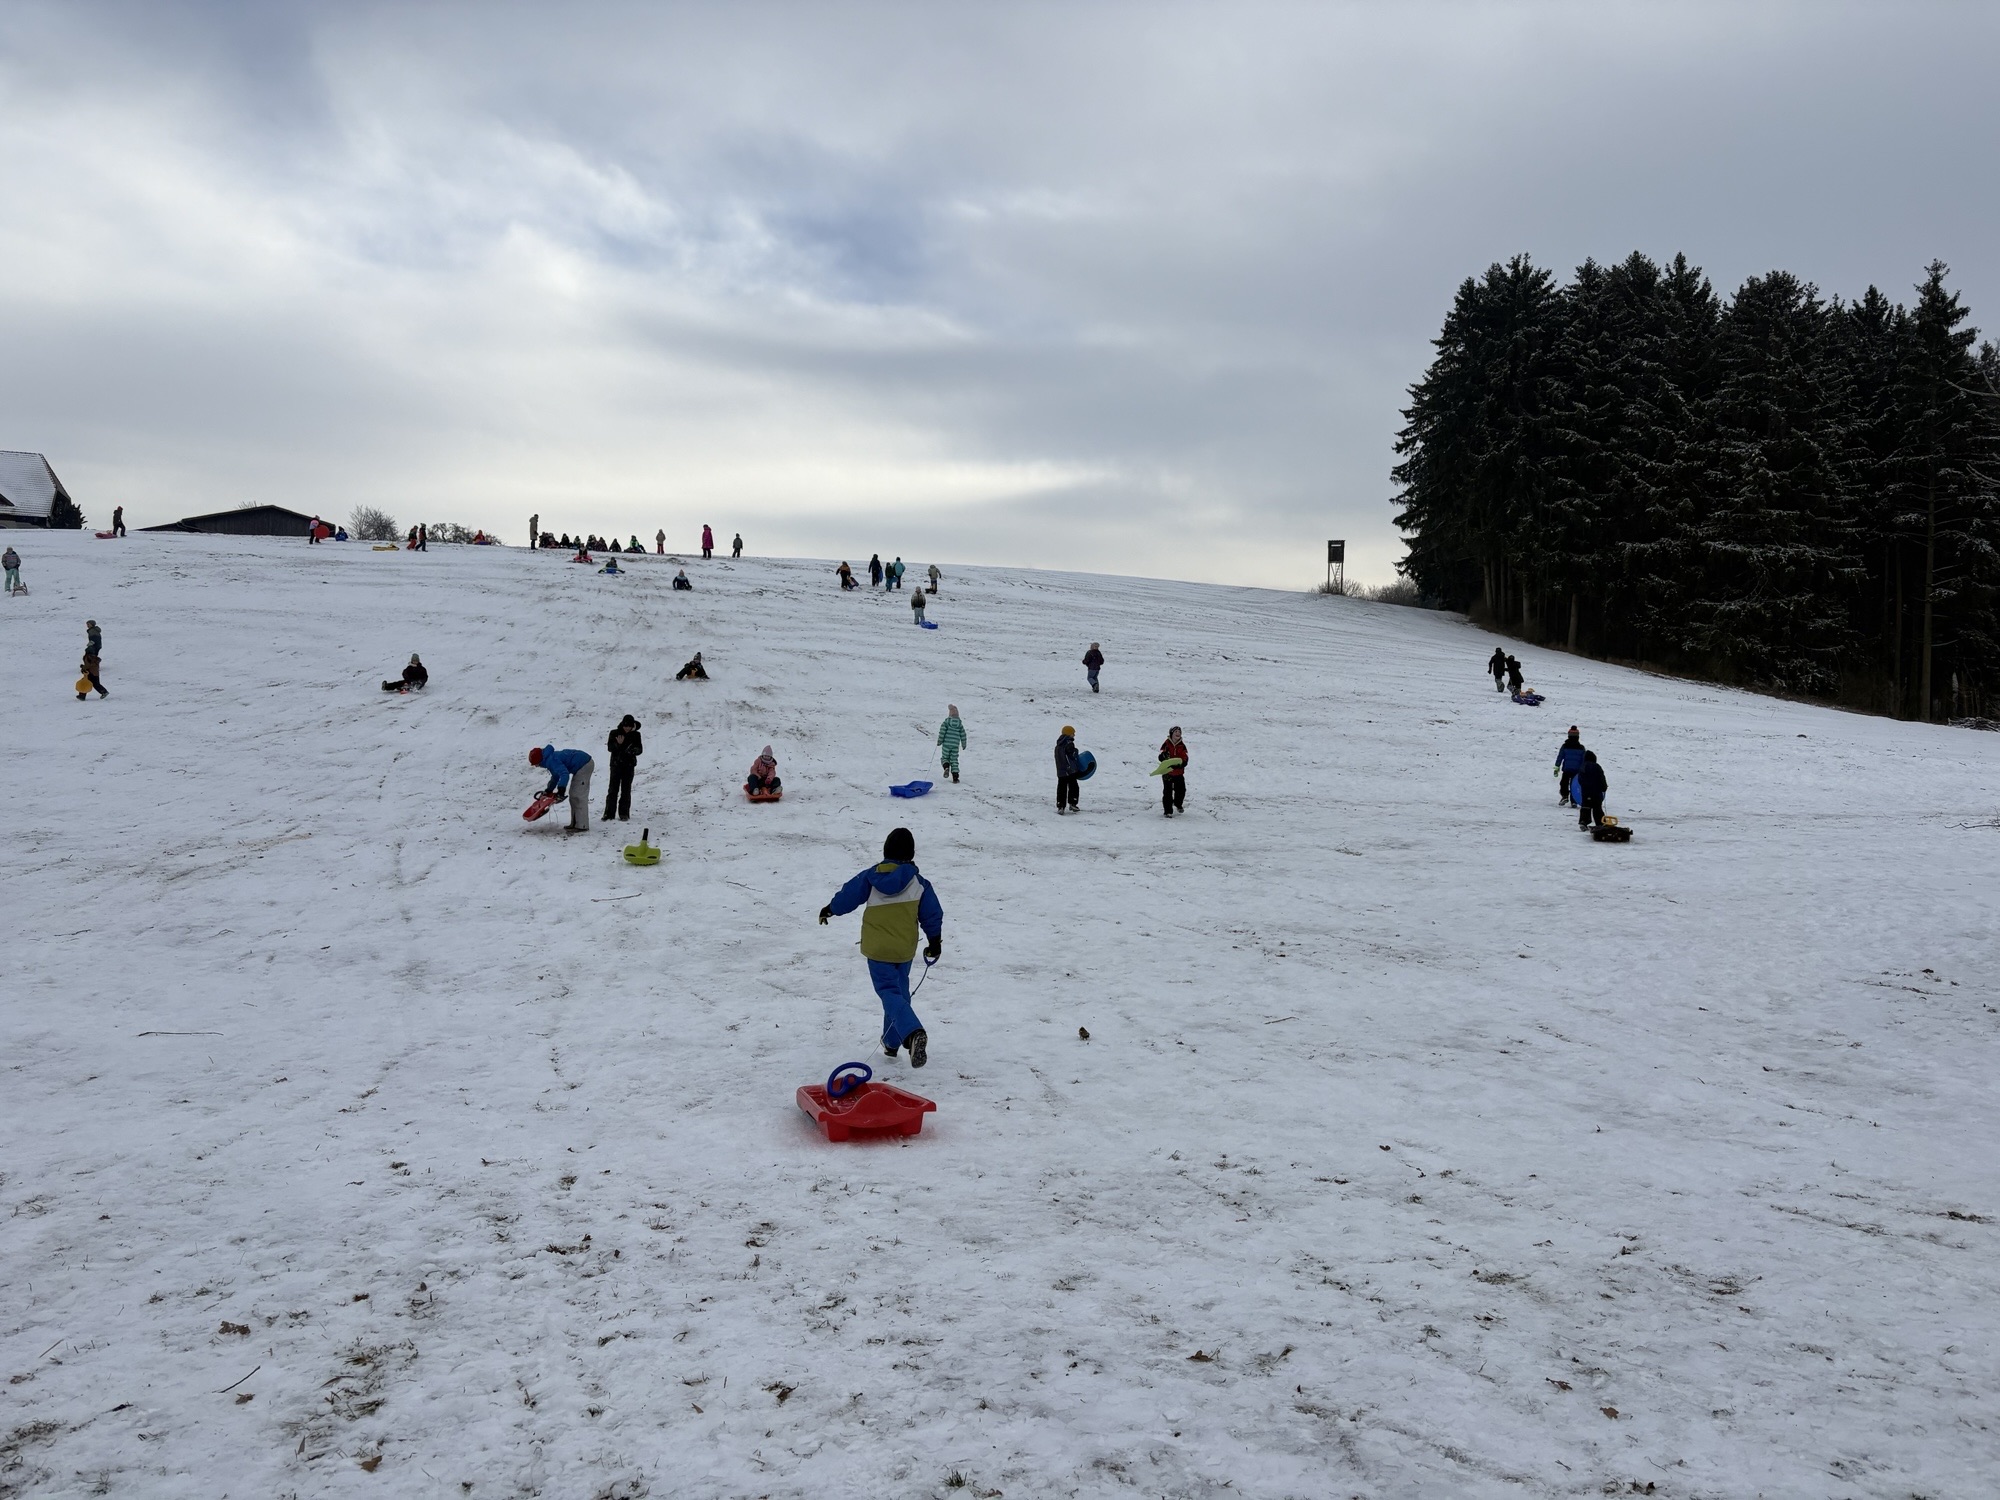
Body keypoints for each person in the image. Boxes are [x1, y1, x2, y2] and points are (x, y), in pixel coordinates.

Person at [819, 826, 943, 1068]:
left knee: (889, 992)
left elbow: (848, 896)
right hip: (904, 950)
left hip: (878, 950)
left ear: (886, 850)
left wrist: (831, 909)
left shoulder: (871, 877)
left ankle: (912, 1032)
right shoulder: (919, 883)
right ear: (911, 854)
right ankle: (892, 1042)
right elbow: (932, 914)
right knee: (899, 992)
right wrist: (934, 942)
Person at [529, 744, 594, 832]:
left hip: (584, 764)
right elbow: (555, 777)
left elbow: (564, 774)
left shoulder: (551, 760)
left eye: (535, 764)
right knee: (574, 796)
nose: (535, 766)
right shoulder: (549, 759)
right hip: (581, 764)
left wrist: (561, 790)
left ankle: (582, 825)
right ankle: (576, 823)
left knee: (578, 795)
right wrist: (548, 790)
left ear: (539, 760)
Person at [604, 714, 643, 822]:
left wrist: (629, 750)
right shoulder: (614, 733)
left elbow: (639, 750)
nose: (627, 728)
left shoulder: (636, 735)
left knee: (626, 790)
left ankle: (624, 813)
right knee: (613, 789)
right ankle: (609, 813)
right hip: (616, 765)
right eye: (625, 726)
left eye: (629, 726)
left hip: (629, 766)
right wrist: (618, 744)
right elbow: (610, 748)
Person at [1158, 726, 1189, 817]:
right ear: (1171, 734)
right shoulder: (1166, 744)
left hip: (1179, 773)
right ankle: (1168, 811)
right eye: (1176, 731)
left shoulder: (1182, 746)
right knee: (1167, 792)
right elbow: (1160, 755)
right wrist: (1163, 756)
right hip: (1167, 773)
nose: (1178, 733)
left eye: (1179, 731)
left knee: (1181, 791)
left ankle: (1178, 804)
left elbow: (1185, 757)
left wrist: (1182, 763)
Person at [1554, 727, 1587, 805]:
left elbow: (1560, 757)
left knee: (1564, 783)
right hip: (1577, 771)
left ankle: (1565, 796)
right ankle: (1574, 800)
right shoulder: (1581, 748)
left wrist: (1556, 767)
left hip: (1567, 769)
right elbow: (1584, 760)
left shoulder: (1565, 746)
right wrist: (1583, 770)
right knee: (1574, 785)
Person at [1576, 750, 1608, 830]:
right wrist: (1604, 787)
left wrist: (1584, 786)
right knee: (1597, 808)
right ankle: (1600, 822)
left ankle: (1584, 821)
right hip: (1597, 792)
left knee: (1585, 807)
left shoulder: (1583, 767)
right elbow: (1602, 778)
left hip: (1586, 791)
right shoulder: (1597, 766)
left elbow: (1580, 779)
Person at [936, 705, 966, 783]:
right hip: (955, 745)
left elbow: (942, 732)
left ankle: (946, 767)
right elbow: (963, 734)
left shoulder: (946, 722)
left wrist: (940, 741)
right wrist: (964, 744)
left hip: (946, 744)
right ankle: (955, 777)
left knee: (945, 757)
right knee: (954, 760)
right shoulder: (960, 725)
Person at [1054, 725, 1080, 813]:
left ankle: (1060, 806)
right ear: (1069, 734)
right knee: (1074, 787)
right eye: (1073, 733)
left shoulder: (1058, 745)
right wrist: (1076, 751)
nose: (1074, 735)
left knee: (1061, 788)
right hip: (1070, 770)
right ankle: (1073, 803)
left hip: (1061, 770)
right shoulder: (1069, 744)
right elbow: (1072, 756)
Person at [79, 620, 107, 700]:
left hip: (92, 671)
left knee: (93, 683)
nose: (87, 625)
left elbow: (94, 639)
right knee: (87, 681)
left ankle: (103, 692)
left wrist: (84, 667)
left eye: (88, 624)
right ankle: (82, 696)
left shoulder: (92, 631)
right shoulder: (94, 630)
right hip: (93, 669)